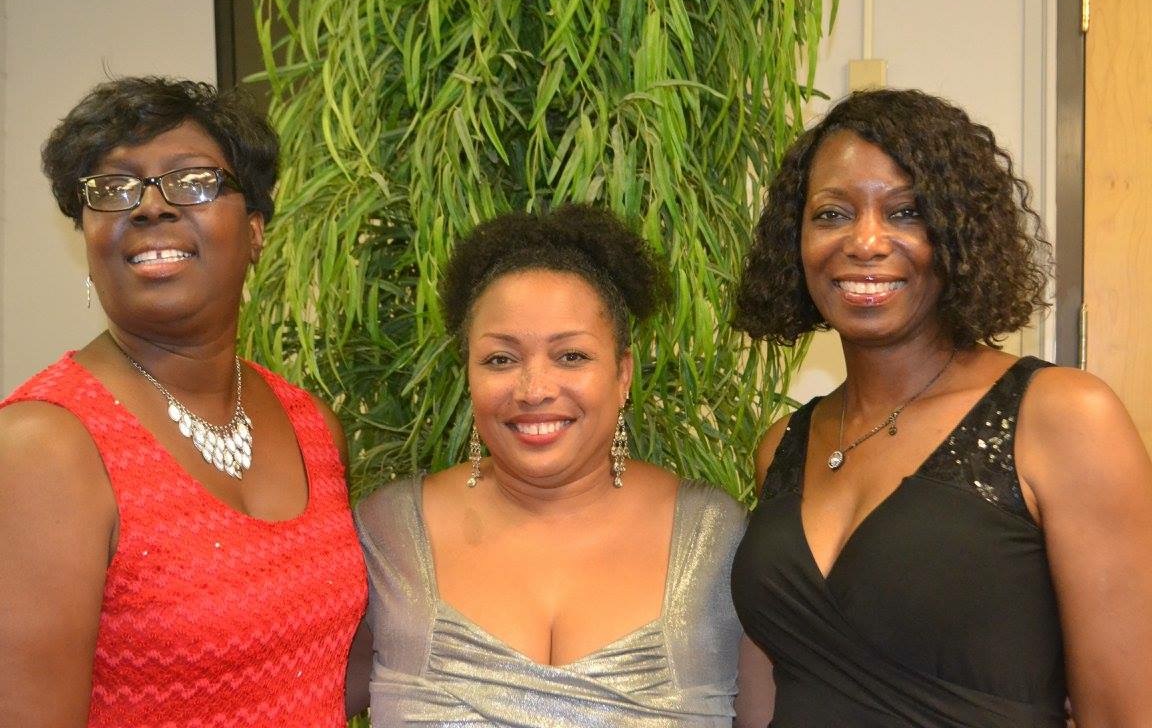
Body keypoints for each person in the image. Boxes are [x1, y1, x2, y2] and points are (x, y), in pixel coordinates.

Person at [729, 88, 1152, 726]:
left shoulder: (1061, 417)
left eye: (906, 213)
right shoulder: (783, 446)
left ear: (958, 234)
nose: (865, 242)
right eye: (832, 214)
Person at [0, 77, 367, 726]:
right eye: (114, 188)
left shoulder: (312, 426)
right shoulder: (42, 450)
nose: (149, 206)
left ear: (254, 231)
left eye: (193, 181)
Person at [352, 204, 773, 727]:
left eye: (571, 356)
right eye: (501, 359)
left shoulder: (717, 541)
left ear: (623, 374)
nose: (534, 389)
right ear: (468, 375)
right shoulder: (388, 536)